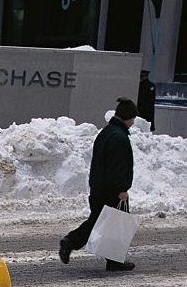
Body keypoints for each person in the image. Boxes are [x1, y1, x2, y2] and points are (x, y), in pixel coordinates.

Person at [58, 97, 137, 272]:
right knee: (113, 224)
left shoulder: (107, 132)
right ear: (127, 117)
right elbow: (118, 167)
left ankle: (112, 259)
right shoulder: (119, 138)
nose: (133, 122)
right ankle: (71, 242)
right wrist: (122, 189)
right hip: (112, 191)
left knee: (99, 222)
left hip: (99, 187)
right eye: (132, 118)